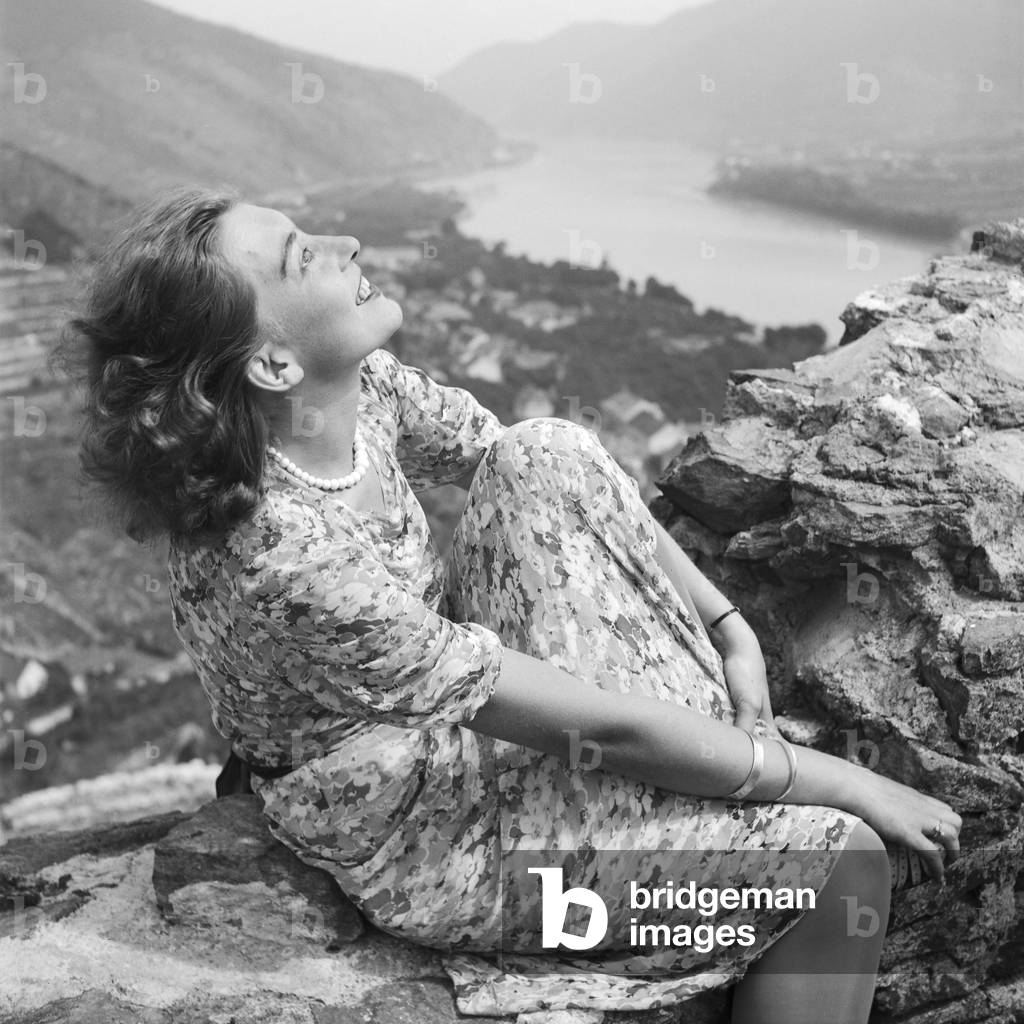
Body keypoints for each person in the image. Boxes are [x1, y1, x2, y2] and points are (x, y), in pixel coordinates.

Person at [60, 185, 962, 1024]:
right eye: (305, 258)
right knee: (838, 861)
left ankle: (719, 778)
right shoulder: (280, 560)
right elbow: (603, 732)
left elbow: (558, 476)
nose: (346, 244)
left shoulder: (359, 396)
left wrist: (729, 625)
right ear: (272, 362)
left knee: (543, 448)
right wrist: (848, 781)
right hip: (435, 839)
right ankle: (722, 806)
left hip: (459, 730)